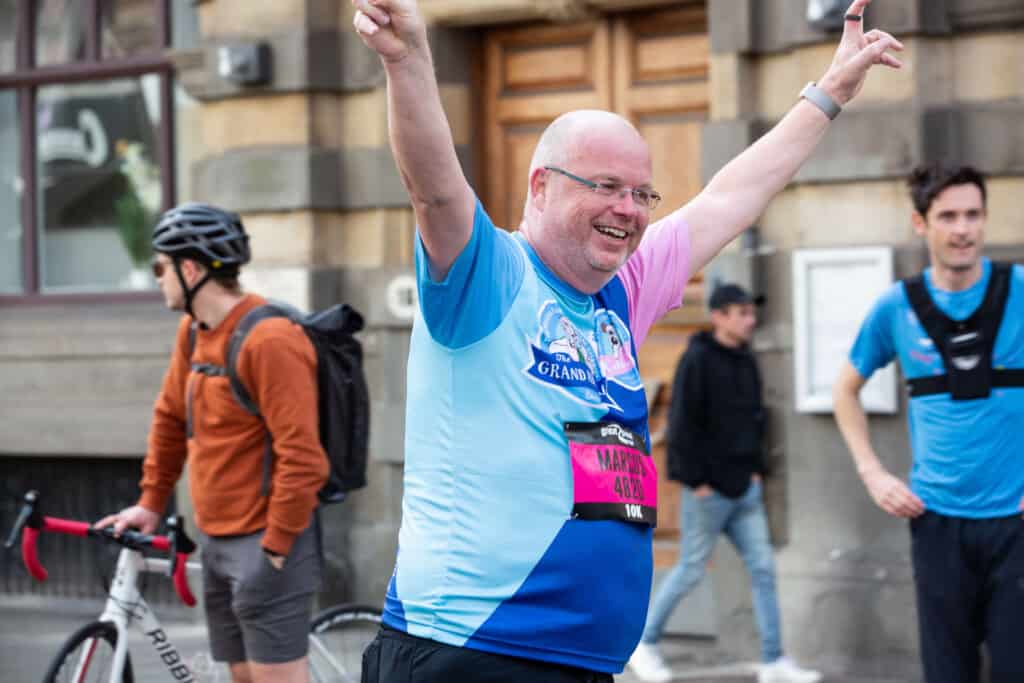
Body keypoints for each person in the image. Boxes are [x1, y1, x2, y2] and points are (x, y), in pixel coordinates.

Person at [351, 0, 902, 680]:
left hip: (581, 661)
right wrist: (407, 62)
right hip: (469, 651)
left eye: (643, 194)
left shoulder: (619, 295)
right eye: (607, 186)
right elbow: (434, 189)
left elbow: (731, 196)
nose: (629, 210)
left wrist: (830, 93)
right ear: (541, 186)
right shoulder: (488, 274)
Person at [96, 203, 329, 683]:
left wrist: (278, 545)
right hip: (217, 542)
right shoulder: (193, 333)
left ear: (191, 269)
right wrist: (150, 502)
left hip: (267, 543)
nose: (156, 278)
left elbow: (302, 457)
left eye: (160, 267)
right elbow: (169, 418)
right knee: (241, 677)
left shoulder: (270, 341)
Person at [833, 163, 1024, 683]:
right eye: (948, 216)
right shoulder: (897, 306)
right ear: (921, 224)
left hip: (1017, 523)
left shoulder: (1020, 290)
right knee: (947, 673)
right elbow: (845, 390)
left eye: (973, 215)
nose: (963, 228)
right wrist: (873, 473)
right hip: (938, 523)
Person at [627, 283, 821, 683]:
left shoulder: (746, 360)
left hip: (744, 491)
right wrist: (696, 482)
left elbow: (755, 418)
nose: (750, 320)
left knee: (764, 569)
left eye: (752, 312)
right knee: (691, 568)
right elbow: (680, 425)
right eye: (742, 313)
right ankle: (644, 643)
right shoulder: (696, 360)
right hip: (708, 492)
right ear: (718, 316)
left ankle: (773, 662)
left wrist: (756, 470)